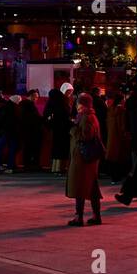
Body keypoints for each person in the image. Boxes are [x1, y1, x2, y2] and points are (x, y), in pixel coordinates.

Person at [66, 92, 104, 226]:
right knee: (91, 187)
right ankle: (95, 215)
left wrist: (73, 130)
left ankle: (79, 217)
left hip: (83, 159)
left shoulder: (87, 117)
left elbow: (85, 135)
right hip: (86, 158)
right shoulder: (87, 116)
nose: (76, 106)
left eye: (78, 103)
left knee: (79, 186)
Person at [44, 85, 72, 173]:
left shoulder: (51, 101)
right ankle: (61, 167)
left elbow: (47, 114)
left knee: (55, 148)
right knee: (62, 148)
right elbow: (65, 115)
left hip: (55, 128)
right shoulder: (62, 101)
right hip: (63, 129)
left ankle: (55, 167)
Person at [20, 89, 44, 171]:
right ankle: (31, 165)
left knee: (28, 149)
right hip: (31, 131)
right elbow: (33, 118)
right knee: (31, 149)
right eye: (36, 97)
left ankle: (28, 165)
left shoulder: (24, 104)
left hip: (27, 131)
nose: (37, 99)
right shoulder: (28, 105)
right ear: (31, 96)